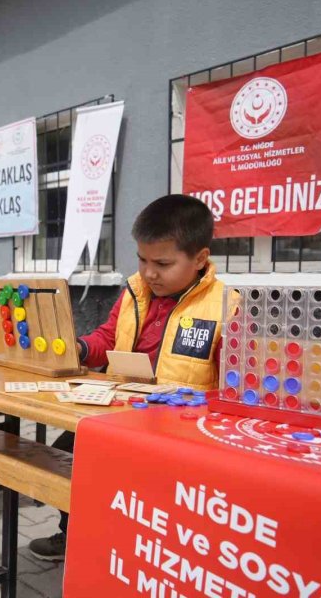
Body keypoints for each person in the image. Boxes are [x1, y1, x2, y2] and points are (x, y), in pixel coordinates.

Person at [29, 194, 226, 561]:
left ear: (200, 259)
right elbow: (107, 336)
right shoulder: (137, 292)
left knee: (136, 484)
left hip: (176, 428)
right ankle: (74, 532)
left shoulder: (223, 307)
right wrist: (81, 349)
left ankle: (134, 548)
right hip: (118, 410)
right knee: (63, 453)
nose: (149, 272)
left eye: (163, 263)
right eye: (142, 259)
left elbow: (230, 385)